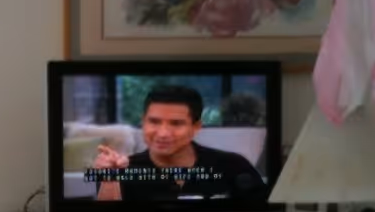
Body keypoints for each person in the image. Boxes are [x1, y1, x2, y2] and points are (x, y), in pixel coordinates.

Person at [91, 84, 267, 203]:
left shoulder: (233, 166)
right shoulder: (121, 170)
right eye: (154, 121)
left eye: (176, 123)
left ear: (196, 127)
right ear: (143, 122)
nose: (163, 133)